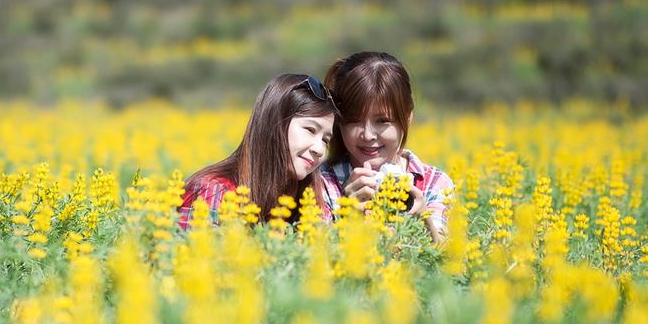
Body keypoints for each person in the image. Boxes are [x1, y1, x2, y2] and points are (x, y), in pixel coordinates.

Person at [319, 52, 454, 243]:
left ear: (407, 119)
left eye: (383, 121)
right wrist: (348, 218)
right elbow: (314, 261)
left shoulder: (435, 183)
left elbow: (449, 265)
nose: (368, 134)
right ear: (339, 122)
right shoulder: (320, 183)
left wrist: (422, 218)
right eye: (353, 120)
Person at [177, 74, 341, 230]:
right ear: (275, 123)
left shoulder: (313, 207)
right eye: (310, 130)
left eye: (325, 140)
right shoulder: (213, 193)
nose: (319, 150)